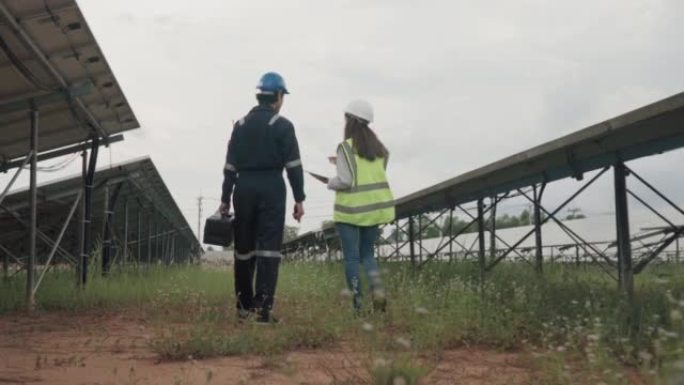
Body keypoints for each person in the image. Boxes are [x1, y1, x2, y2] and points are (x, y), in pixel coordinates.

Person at [220, 72, 305, 324]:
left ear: (259, 95)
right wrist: (299, 199)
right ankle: (263, 311)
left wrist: (225, 198)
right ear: (278, 96)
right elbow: (293, 166)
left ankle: (243, 309)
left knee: (243, 250)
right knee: (269, 249)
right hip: (271, 188)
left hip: (243, 188)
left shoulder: (240, 126)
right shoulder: (283, 126)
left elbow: (229, 167)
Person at [327, 99, 395, 312]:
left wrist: (330, 181)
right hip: (373, 210)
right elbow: (370, 173)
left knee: (352, 257)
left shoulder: (345, 148)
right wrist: (339, 164)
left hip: (350, 213)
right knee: (368, 255)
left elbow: (346, 181)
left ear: (350, 120)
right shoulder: (380, 149)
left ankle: (358, 304)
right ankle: (379, 292)